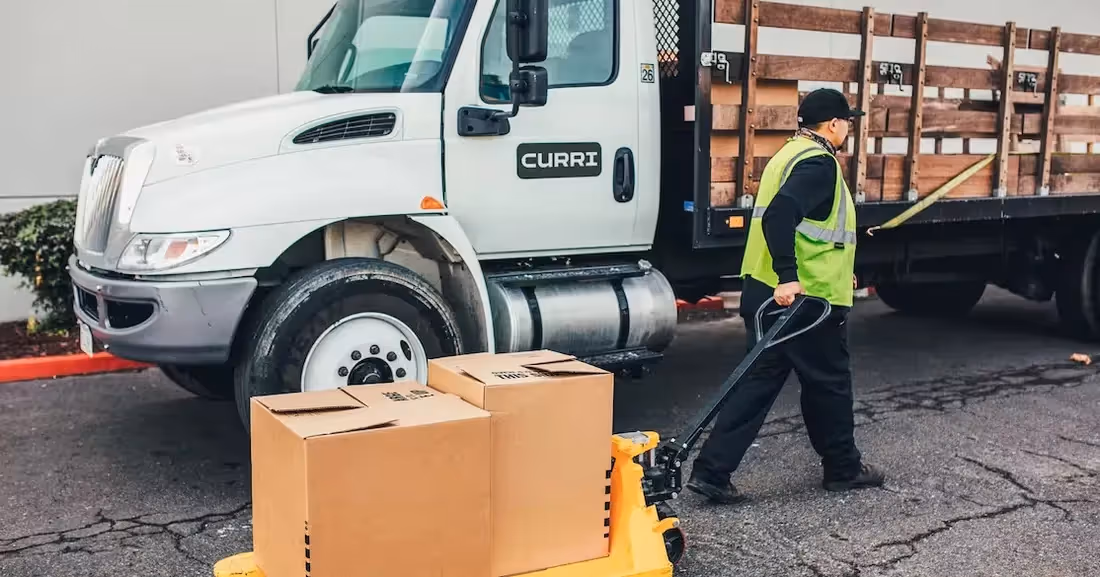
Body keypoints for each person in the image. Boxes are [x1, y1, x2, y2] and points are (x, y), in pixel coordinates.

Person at [686, 88, 886, 503]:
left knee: (757, 381)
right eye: (846, 121)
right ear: (833, 125)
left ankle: (711, 472)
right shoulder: (819, 163)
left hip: (766, 291)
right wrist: (790, 277)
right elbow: (781, 214)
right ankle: (842, 468)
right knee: (829, 383)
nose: (848, 128)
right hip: (805, 300)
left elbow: (811, 228)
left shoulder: (786, 155)